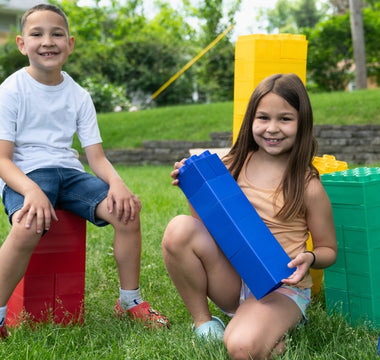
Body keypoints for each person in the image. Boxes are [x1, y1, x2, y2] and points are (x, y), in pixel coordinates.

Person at [0, 4, 168, 339]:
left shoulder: (78, 95)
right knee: (28, 224)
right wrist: (32, 190)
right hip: (27, 173)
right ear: (22, 43)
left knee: (127, 213)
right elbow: (3, 159)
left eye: (57, 34)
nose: (48, 41)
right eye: (37, 34)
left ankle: (130, 301)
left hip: (70, 173)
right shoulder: (11, 90)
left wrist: (117, 183)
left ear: (70, 44)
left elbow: (96, 157)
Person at [162, 73, 337, 360]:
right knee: (179, 228)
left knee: (241, 348)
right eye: (263, 117)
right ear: (251, 120)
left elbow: (329, 249)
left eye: (285, 119)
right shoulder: (231, 165)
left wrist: (311, 258)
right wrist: (194, 187)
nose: (272, 128)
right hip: (233, 278)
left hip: (281, 289)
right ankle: (204, 323)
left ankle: (263, 331)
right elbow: (208, 227)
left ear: (302, 123)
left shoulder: (308, 185)